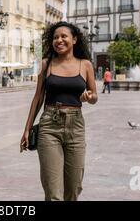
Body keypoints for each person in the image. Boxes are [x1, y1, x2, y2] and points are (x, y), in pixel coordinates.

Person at [20, 21, 98, 201]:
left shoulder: (85, 65)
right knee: (53, 191)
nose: (59, 40)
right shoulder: (46, 64)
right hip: (49, 126)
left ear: (75, 39)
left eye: (64, 36)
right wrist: (27, 129)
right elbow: (38, 97)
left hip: (75, 127)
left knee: (74, 188)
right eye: (55, 37)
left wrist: (89, 97)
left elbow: (94, 96)